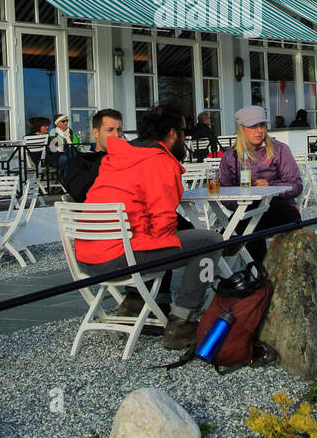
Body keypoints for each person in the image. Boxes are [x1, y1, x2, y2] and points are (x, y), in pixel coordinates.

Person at [79, 103, 223, 350]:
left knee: (160, 238)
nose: (185, 138)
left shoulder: (118, 156)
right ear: (172, 133)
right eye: (184, 132)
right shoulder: (159, 162)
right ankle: (183, 323)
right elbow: (163, 227)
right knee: (210, 242)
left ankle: (140, 304)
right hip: (117, 257)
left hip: (86, 255)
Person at [218, 106, 304, 263]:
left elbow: (296, 185)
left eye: (262, 125)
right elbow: (224, 192)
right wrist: (241, 202)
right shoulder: (230, 156)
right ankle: (259, 276)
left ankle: (257, 275)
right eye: (253, 126)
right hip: (246, 211)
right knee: (251, 219)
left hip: (279, 209)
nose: (259, 131)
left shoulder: (279, 150)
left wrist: (270, 186)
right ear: (242, 129)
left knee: (248, 226)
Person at [62, 109, 124, 203]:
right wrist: (106, 159)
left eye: (119, 130)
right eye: (110, 130)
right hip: (97, 214)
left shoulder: (128, 158)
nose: (116, 135)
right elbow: (78, 193)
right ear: (96, 133)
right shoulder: (81, 160)